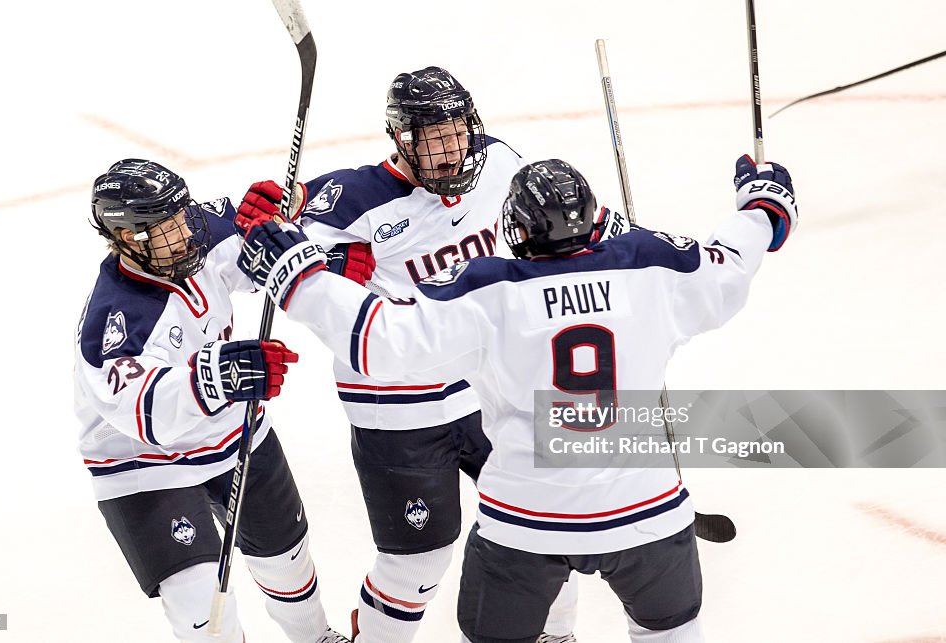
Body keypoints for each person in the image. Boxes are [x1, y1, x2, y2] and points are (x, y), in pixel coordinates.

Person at [235, 155, 798, 642]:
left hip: (528, 522)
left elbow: (382, 341)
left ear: (519, 232)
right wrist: (763, 209)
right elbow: (732, 262)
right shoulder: (651, 266)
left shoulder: (488, 291)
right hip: (648, 513)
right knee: (673, 633)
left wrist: (297, 273)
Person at [235, 66, 579, 643]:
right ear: (400, 138)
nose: (450, 150)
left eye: (457, 131)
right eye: (431, 137)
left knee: (551, 522)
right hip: (398, 410)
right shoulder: (356, 197)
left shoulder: (501, 163)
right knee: (421, 561)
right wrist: (271, 222)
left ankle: (556, 635)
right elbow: (259, 256)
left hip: (492, 388)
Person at [73, 159, 349, 643]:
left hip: (232, 432)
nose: (185, 232)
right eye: (166, 227)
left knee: (288, 561)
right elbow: (146, 412)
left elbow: (253, 253)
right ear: (128, 238)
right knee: (200, 608)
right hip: (143, 465)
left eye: (183, 216)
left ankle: (316, 638)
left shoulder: (194, 237)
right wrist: (219, 376)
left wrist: (292, 238)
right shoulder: (115, 321)